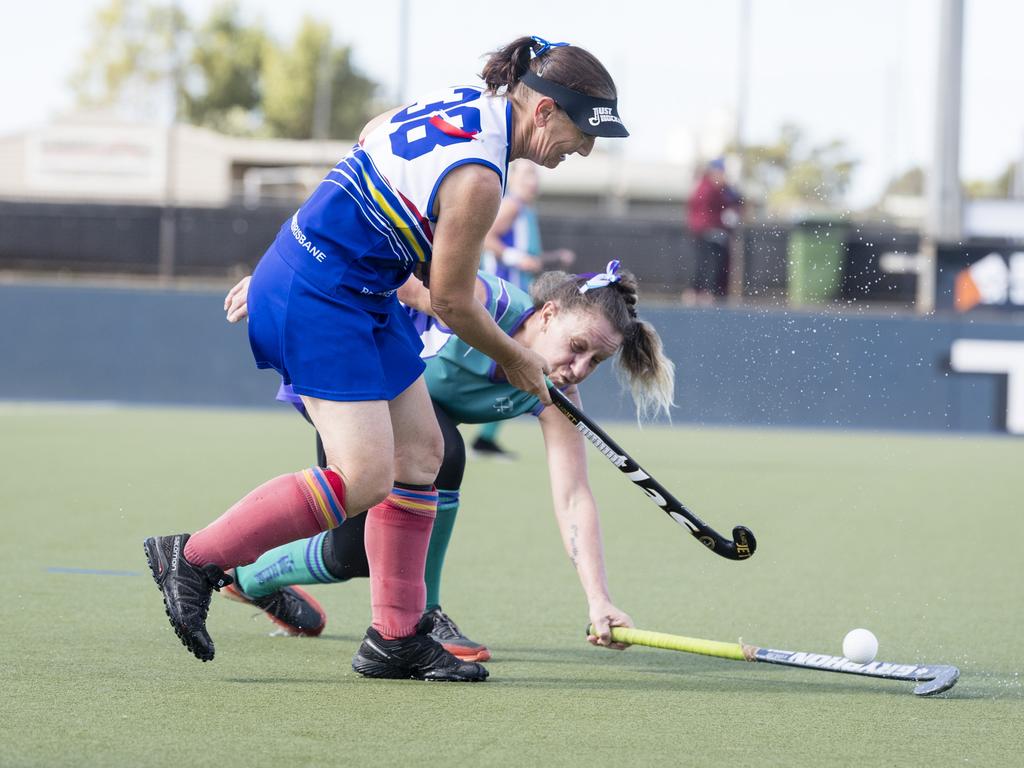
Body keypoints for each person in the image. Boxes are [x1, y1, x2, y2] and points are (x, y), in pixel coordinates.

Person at [142, 35, 629, 683]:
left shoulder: (461, 107)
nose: (586, 148)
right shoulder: (482, 177)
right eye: (582, 131)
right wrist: (517, 358)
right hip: (323, 293)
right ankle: (195, 557)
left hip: (356, 286)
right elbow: (453, 304)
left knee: (424, 454)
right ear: (543, 110)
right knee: (364, 477)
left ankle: (395, 637)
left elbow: (372, 138)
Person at [220, 261, 675, 663]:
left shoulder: (556, 395)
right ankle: (424, 615)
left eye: (596, 361)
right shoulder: (484, 304)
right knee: (441, 448)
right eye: (577, 346)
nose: (578, 368)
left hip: (409, 440)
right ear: (549, 313)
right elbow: (379, 274)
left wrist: (598, 600)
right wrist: (278, 279)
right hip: (352, 384)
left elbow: (574, 497)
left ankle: (246, 577)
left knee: (353, 556)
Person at [473, 159, 575, 459]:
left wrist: (552, 257)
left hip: (520, 301)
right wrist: (517, 258)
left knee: (513, 369)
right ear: (513, 178)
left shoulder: (526, 211)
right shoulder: (512, 205)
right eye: (527, 174)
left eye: (536, 175)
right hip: (502, 303)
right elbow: (487, 238)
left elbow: (528, 256)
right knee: (511, 367)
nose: (534, 181)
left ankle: (486, 438)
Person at [684, 158, 743, 304]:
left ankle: (702, 292)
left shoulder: (714, 188)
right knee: (706, 262)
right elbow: (709, 209)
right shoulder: (707, 188)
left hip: (708, 230)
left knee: (708, 262)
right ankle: (700, 292)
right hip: (706, 230)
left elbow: (734, 202)